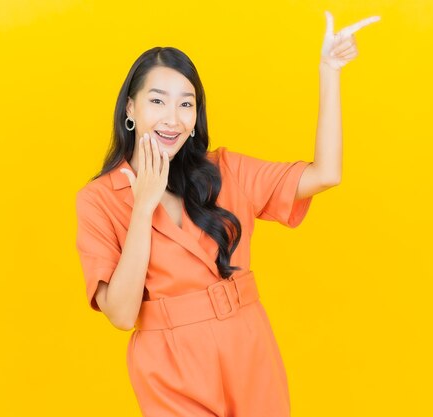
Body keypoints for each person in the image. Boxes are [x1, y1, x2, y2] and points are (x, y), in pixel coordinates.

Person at [75, 11, 380, 417]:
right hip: (170, 366)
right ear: (130, 108)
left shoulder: (226, 171)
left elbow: (326, 174)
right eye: (157, 101)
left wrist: (329, 72)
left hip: (248, 348)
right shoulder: (98, 199)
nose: (172, 118)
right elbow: (122, 314)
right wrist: (143, 204)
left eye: (186, 104)